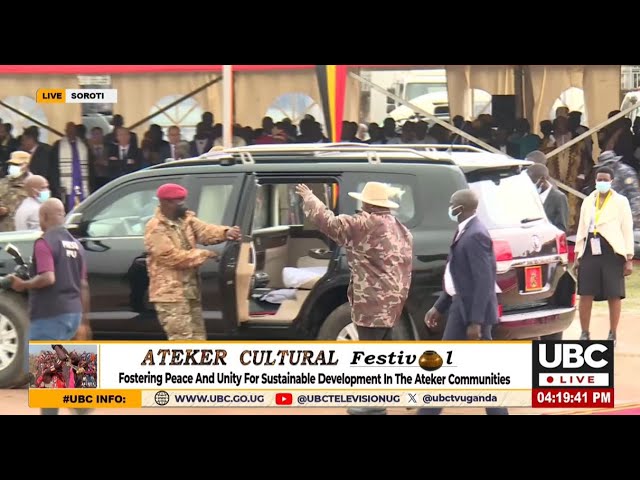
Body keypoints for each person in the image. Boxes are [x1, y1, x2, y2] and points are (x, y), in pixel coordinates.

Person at [295, 182, 413, 415]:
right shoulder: (400, 228)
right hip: (393, 301)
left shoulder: (366, 223)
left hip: (371, 301)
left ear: (368, 204)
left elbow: (328, 223)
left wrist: (309, 197)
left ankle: (373, 404)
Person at [418, 189, 508, 416]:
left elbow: (483, 280)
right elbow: (458, 277)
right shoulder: (465, 231)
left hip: (468, 310)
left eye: (451, 204)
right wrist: (440, 306)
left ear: (460, 207)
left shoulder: (476, 234)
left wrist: (476, 321)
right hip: (461, 305)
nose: (449, 208)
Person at [9, 198, 91, 414]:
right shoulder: (76, 244)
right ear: (62, 216)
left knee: (42, 371)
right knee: (58, 362)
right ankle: (80, 401)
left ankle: (74, 406)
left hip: (50, 315)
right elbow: (83, 284)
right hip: (72, 314)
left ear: (43, 218)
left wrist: (23, 284)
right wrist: (84, 321)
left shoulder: (44, 242)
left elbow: (48, 277)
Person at [144, 183, 241, 340]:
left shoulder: (185, 219)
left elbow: (204, 230)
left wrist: (226, 232)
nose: (183, 204)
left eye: (183, 200)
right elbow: (171, 257)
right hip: (171, 295)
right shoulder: (156, 227)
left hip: (189, 291)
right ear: (165, 203)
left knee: (197, 337)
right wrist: (204, 254)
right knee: (182, 339)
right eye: (178, 201)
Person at [573, 166, 634, 346]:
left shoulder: (621, 201)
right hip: (590, 248)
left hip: (612, 251)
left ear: (612, 181)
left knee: (614, 294)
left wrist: (628, 258)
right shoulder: (588, 201)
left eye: (605, 180)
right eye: (599, 179)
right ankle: (585, 333)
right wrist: (578, 254)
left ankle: (612, 333)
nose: (601, 183)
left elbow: (626, 229)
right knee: (586, 293)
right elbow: (581, 229)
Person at [527, 164, 569, 233]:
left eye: (532, 181)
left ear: (542, 179)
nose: (530, 185)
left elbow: (562, 227)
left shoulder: (559, 198)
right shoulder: (530, 196)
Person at [0, 150, 31, 231]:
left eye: (17, 164)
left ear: (26, 165)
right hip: (3, 231)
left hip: (23, 231)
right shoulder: (3, 182)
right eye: (11, 164)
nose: (13, 167)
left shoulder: (33, 183)